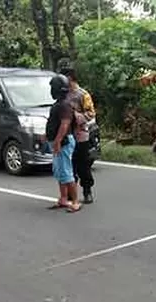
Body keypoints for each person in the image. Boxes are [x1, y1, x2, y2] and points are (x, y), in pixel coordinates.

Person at [60, 67, 96, 204]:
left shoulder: (82, 95)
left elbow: (91, 113)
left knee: (83, 165)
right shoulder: (63, 95)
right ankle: (71, 193)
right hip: (67, 135)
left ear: (69, 78)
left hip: (80, 135)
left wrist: (76, 117)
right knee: (69, 165)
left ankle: (87, 191)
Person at [46, 74, 80, 213]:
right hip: (57, 141)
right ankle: (64, 198)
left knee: (66, 172)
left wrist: (58, 141)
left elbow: (65, 125)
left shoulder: (65, 105)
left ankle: (75, 201)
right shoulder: (59, 104)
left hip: (63, 142)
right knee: (60, 172)